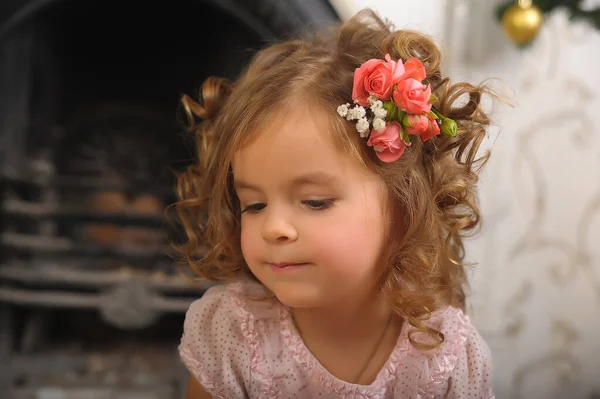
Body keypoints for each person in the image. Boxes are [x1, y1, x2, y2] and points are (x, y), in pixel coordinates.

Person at [174, 8, 495, 399]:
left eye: (314, 202)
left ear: (404, 206)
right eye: (254, 205)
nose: (274, 227)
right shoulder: (232, 331)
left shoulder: (443, 354)